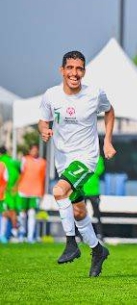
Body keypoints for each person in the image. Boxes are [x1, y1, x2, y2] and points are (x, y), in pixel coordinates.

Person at [38, 50, 116, 277]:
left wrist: (107, 142)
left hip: (86, 157)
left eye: (79, 68)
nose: (75, 73)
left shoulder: (94, 94)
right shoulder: (51, 96)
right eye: (70, 68)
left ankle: (71, 244)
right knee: (79, 211)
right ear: (62, 70)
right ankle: (98, 250)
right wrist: (45, 131)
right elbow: (43, 121)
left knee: (58, 190)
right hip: (63, 160)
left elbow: (109, 111)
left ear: (84, 71)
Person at [17, 144, 47, 243]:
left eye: (36, 150)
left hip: (36, 191)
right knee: (22, 214)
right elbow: (20, 173)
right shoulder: (25, 159)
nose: (35, 152)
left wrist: (42, 192)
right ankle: (22, 233)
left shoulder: (43, 162)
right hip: (23, 190)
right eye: (33, 150)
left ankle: (30, 237)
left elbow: (43, 178)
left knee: (32, 213)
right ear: (30, 151)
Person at [0, 146, 21, 243]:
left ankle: (15, 230)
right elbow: (19, 172)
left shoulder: (2, 161)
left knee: (7, 212)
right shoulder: (12, 161)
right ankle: (14, 231)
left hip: (5, 191)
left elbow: (5, 176)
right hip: (13, 190)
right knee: (11, 211)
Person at [82, 154, 105, 242]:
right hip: (83, 189)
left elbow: (99, 171)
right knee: (81, 214)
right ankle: (81, 235)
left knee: (97, 214)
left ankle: (100, 234)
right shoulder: (82, 157)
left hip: (94, 191)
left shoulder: (99, 159)